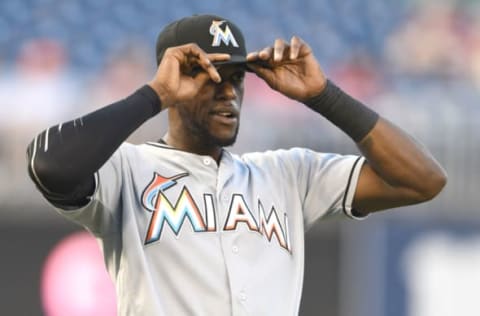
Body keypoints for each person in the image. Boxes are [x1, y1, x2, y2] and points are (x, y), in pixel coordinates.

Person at [27, 14, 447, 316]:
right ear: (174, 80)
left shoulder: (288, 174)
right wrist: (154, 94)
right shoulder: (127, 170)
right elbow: (49, 165)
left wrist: (325, 96)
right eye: (211, 76)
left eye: (237, 78)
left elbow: (423, 180)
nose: (228, 92)